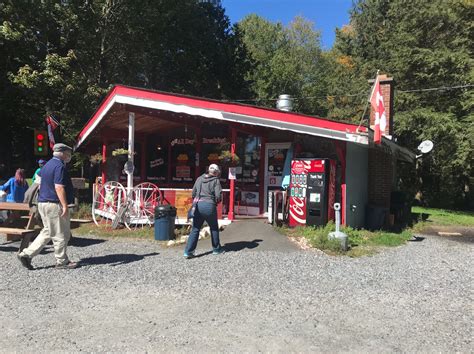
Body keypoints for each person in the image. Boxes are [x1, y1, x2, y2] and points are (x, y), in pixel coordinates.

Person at [17, 143, 77, 270]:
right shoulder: (59, 166)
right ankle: (62, 261)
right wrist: (65, 205)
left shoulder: (46, 166)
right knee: (61, 233)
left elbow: (38, 183)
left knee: (48, 231)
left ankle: (26, 254)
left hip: (42, 203)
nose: (69, 156)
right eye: (68, 153)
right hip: (54, 204)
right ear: (63, 153)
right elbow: (59, 187)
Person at [184, 163, 225, 258]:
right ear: (216, 172)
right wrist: (215, 202)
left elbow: (193, 193)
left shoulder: (199, 179)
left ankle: (188, 251)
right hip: (209, 205)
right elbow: (218, 196)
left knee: (195, 228)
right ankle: (216, 249)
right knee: (214, 227)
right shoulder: (216, 181)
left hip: (198, 205)